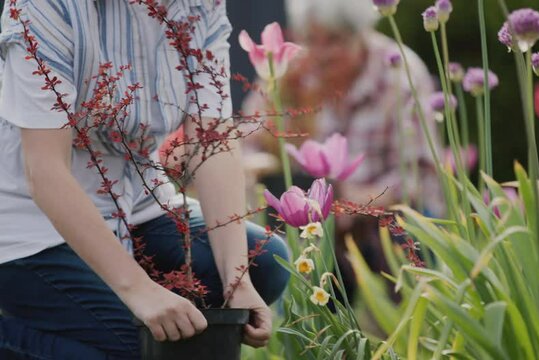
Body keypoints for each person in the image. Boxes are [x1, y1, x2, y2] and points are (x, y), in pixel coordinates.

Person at [0, 1, 288, 359]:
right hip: (30, 224)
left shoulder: (196, 6)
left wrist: (236, 279)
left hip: (134, 203)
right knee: (140, 346)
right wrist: (139, 291)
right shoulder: (46, 6)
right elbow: (44, 171)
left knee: (266, 263)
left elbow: (210, 139)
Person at [242, 0, 438, 301]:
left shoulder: (399, 73)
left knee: (412, 233)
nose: (320, 53)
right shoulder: (288, 70)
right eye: (310, 39)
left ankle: (407, 325)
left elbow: (417, 172)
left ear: (360, 35)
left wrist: (356, 203)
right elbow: (247, 149)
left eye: (333, 40)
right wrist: (284, 108)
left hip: (381, 216)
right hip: (308, 221)